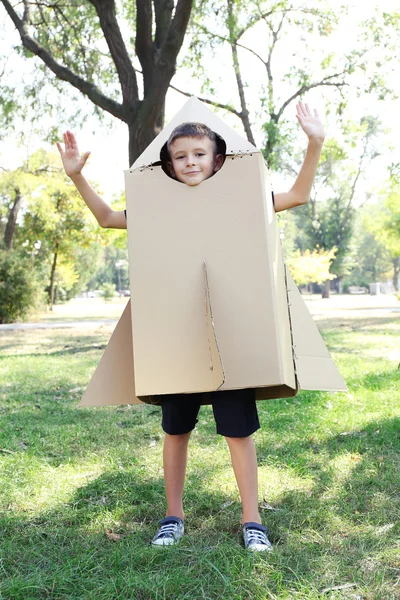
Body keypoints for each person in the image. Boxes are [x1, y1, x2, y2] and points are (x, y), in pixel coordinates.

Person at [57, 100, 325, 552]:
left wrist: (314, 143)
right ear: (169, 163)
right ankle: (173, 516)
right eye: (180, 156)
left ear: (217, 158)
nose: (190, 163)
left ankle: (252, 520)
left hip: (232, 337)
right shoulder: (158, 207)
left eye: (199, 154)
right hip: (178, 336)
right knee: (175, 430)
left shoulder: (244, 200)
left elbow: (296, 196)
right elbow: (107, 219)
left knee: (238, 432)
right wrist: (76, 176)